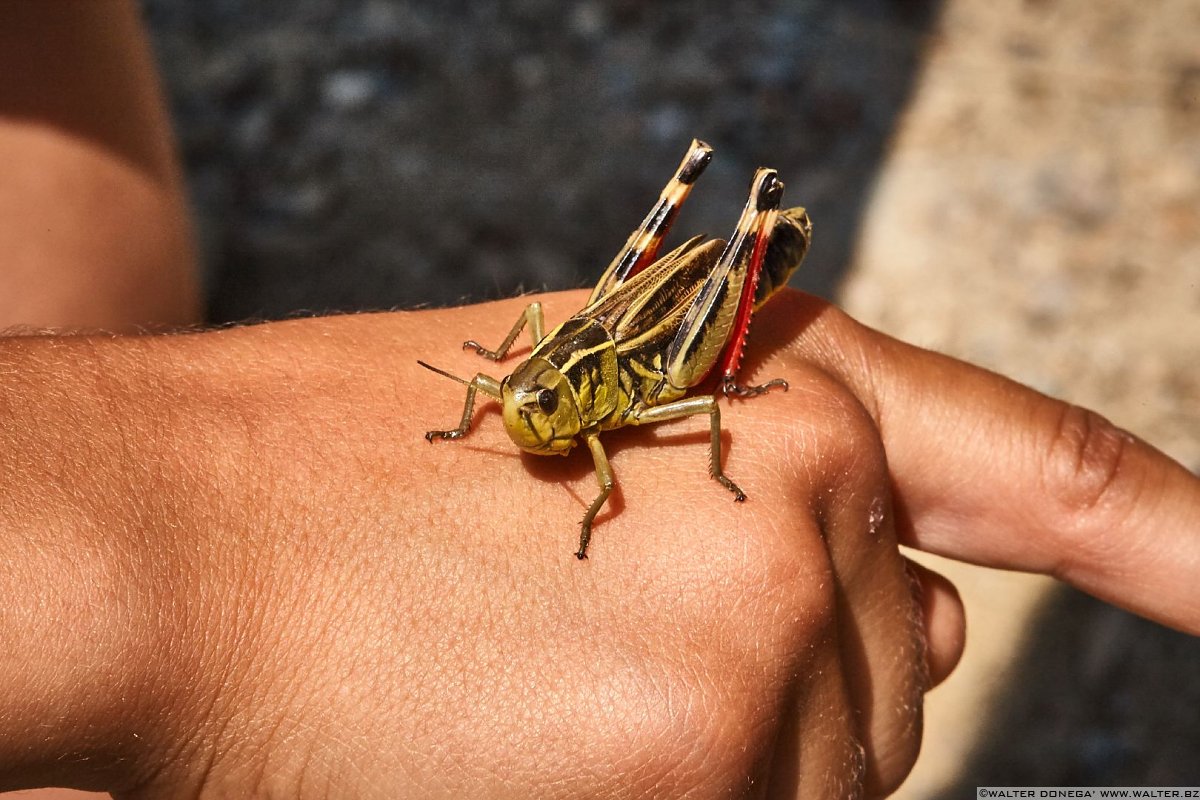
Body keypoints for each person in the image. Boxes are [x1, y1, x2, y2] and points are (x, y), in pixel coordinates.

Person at [1, 3, 1195, 799]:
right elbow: (520, 355)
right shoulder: (525, 389)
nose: (521, 420)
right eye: (515, 404)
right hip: (617, 324)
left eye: (529, 407)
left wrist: (720, 419)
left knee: (699, 349)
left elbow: (662, 427)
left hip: (686, 334)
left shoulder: (607, 434)